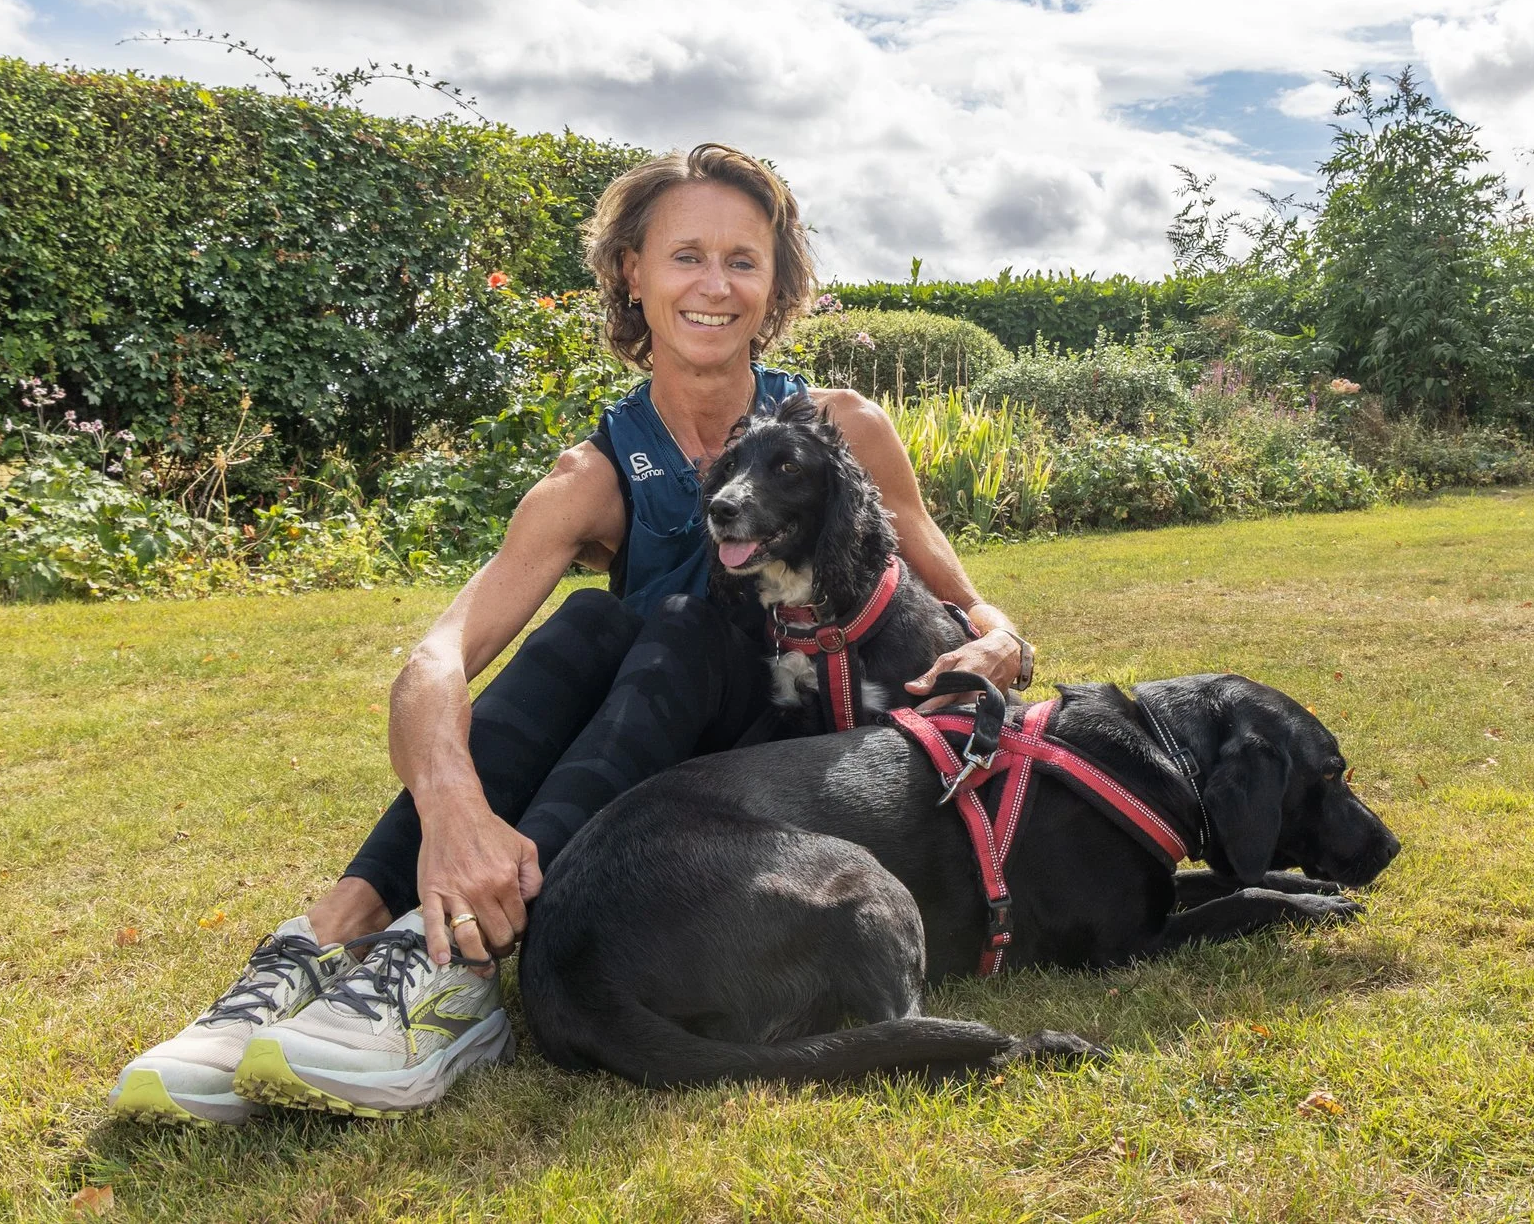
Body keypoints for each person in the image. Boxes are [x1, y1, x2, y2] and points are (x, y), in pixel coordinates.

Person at [109, 144, 1035, 1124]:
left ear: (776, 285)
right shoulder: (592, 474)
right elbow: (434, 661)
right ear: (632, 273)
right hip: (648, 771)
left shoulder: (845, 426)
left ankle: (449, 960)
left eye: (742, 259)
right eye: (685, 256)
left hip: (795, 762)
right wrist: (456, 814)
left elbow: (961, 593)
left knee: (675, 620)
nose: (713, 285)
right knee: (591, 623)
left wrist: (1000, 636)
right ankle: (331, 932)